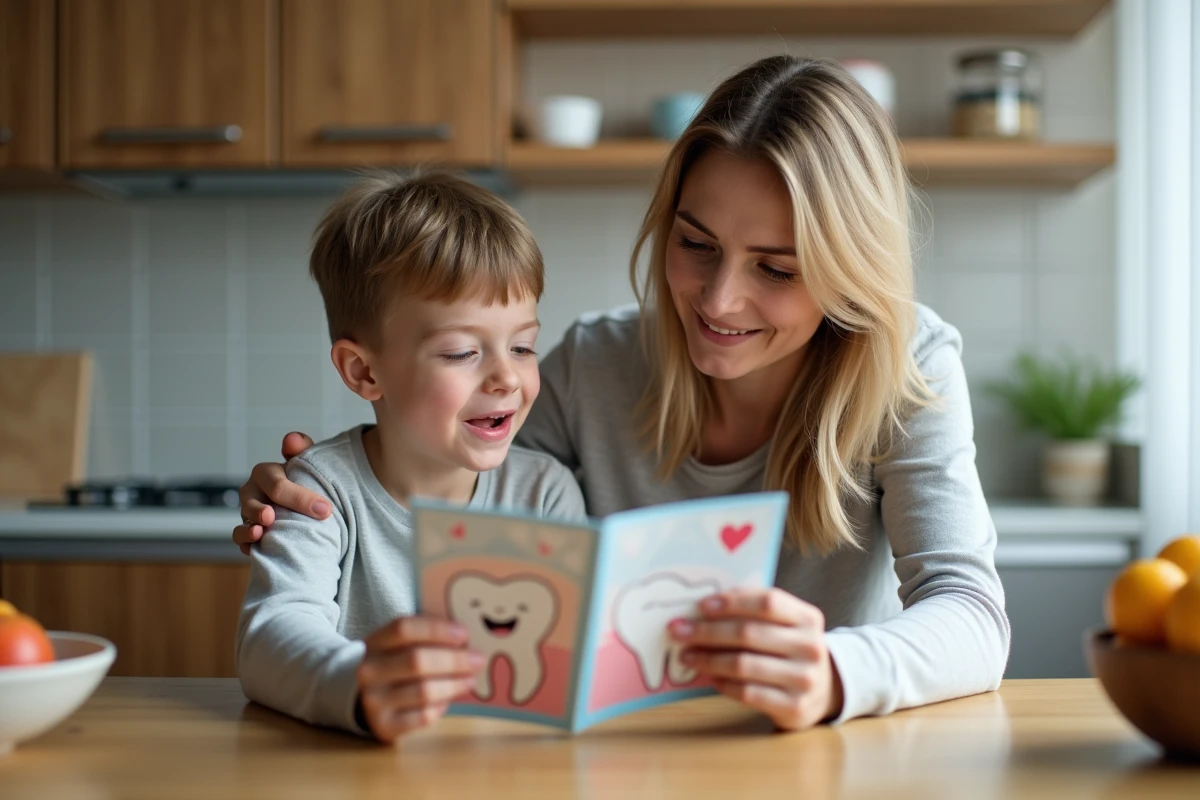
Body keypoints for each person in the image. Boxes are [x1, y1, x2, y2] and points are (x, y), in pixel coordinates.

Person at [234, 55, 1010, 731]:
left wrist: (834, 672)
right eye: (695, 244)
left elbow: (971, 614)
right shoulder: (593, 366)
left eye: (776, 268)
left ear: (851, 271)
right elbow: (452, 483)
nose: (717, 300)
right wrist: (320, 486)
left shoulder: (910, 369)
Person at [235, 171, 587, 743]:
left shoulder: (544, 493)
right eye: (462, 352)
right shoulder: (321, 493)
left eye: (523, 346)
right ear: (364, 371)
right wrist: (359, 684)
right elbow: (271, 635)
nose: (506, 377)